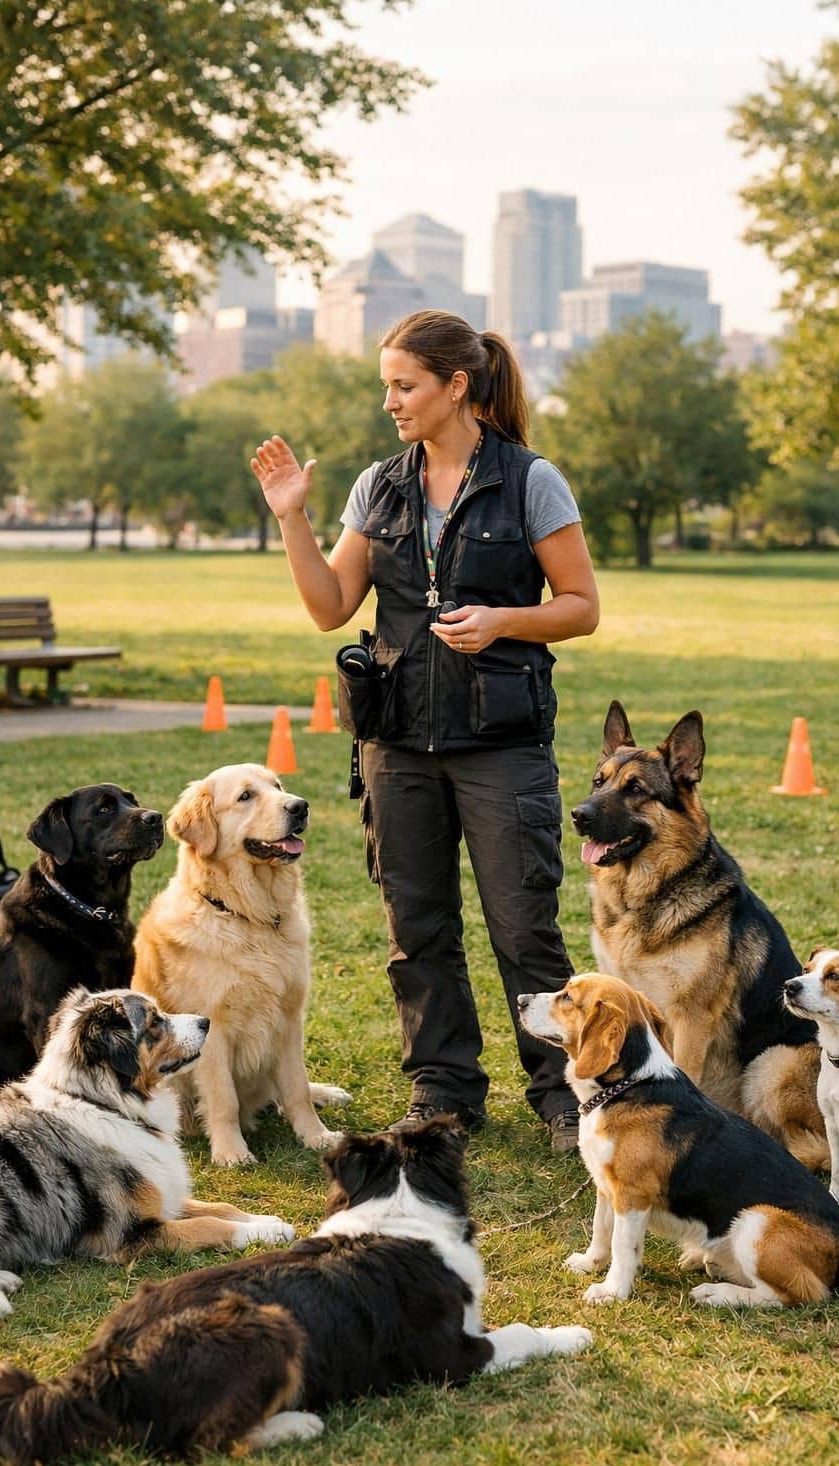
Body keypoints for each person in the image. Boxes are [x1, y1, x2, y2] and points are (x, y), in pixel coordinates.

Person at [251, 309, 600, 1152]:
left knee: (524, 928)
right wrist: (291, 515)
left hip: (502, 744)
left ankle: (564, 1098)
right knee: (418, 928)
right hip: (397, 742)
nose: (391, 403)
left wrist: (506, 621)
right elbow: (330, 606)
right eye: (386, 387)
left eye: (404, 386)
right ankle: (442, 1092)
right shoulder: (380, 484)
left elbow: (582, 607)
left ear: (457, 386)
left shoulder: (530, 481)